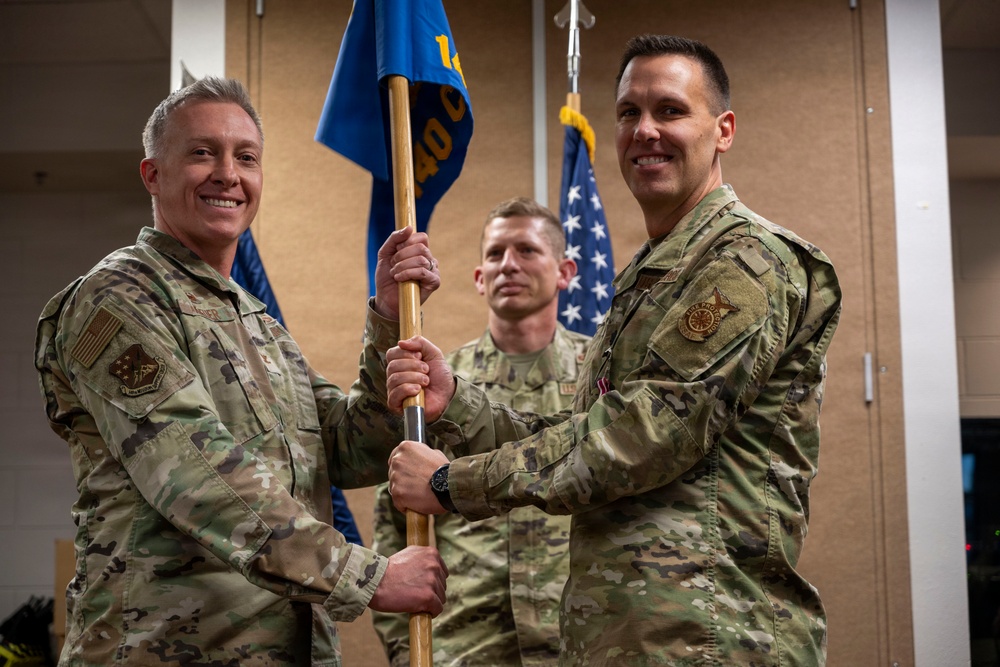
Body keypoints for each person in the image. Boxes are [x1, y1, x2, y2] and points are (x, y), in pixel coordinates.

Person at [383, 34, 843, 665]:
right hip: (629, 641)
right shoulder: (652, 276)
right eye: (629, 112)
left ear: (724, 129)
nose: (645, 130)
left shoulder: (745, 260)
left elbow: (641, 436)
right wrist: (456, 406)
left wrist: (451, 482)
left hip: (711, 637)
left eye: (671, 111)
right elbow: (587, 430)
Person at [34, 77, 449, 666]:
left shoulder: (259, 324)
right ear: (153, 174)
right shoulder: (120, 299)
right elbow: (194, 472)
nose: (228, 174)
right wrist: (365, 575)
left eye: (246, 157)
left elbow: (345, 447)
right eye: (202, 152)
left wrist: (387, 317)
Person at [371, 197, 592, 666]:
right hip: (465, 648)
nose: (508, 265)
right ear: (478, 278)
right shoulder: (431, 387)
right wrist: (403, 651)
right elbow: (393, 527)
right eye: (495, 254)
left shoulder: (602, 380)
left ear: (565, 271)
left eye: (527, 251)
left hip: (581, 642)